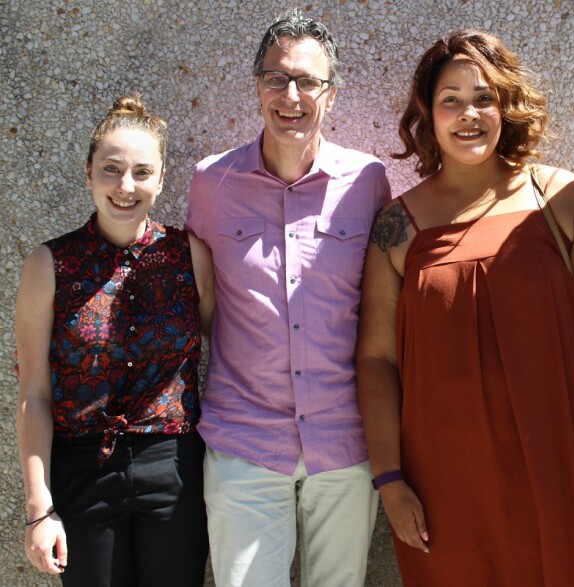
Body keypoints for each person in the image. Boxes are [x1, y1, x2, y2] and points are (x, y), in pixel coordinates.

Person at [357, 29, 574, 586]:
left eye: (484, 97)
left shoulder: (557, 196)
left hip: (569, 470)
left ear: (506, 105)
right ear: (428, 113)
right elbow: (376, 360)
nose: (470, 114)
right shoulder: (396, 226)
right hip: (446, 488)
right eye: (451, 100)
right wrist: (390, 479)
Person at [184, 9, 389, 587]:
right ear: (257, 86)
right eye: (276, 78)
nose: (290, 95)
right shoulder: (211, 182)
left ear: (332, 93)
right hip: (244, 438)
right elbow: (203, 298)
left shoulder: (367, 180)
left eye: (308, 81)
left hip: (344, 440)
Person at [15, 94, 214, 586]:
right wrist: (39, 508)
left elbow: (228, 347)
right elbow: (34, 394)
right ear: (88, 173)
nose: (126, 186)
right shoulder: (49, 264)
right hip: (82, 471)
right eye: (111, 169)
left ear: (162, 178)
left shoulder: (189, 255)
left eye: (142, 172)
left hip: (174, 467)